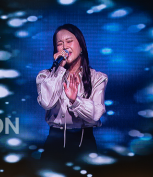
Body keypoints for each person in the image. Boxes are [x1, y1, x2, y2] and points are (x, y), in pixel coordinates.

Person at [36, 24, 107, 165]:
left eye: (69, 41)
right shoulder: (45, 76)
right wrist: (59, 69)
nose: (65, 47)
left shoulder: (97, 78)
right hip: (54, 142)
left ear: (81, 47)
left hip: (84, 142)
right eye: (60, 44)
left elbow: (96, 114)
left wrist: (75, 101)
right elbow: (47, 103)